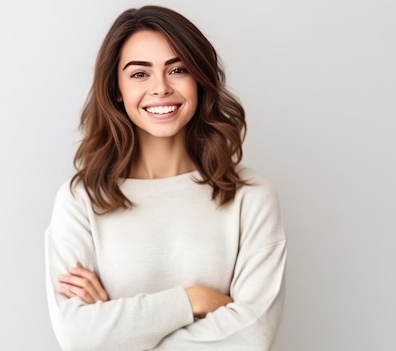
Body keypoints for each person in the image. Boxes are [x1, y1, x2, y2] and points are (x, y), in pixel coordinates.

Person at [45, 5, 287, 351]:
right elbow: (78, 337)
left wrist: (117, 327)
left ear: (199, 80)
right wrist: (193, 300)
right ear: (116, 89)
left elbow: (251, 338)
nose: (161, 88)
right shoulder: (82, 200)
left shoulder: (251, 198)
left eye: (177, 69)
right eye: (139, 74)